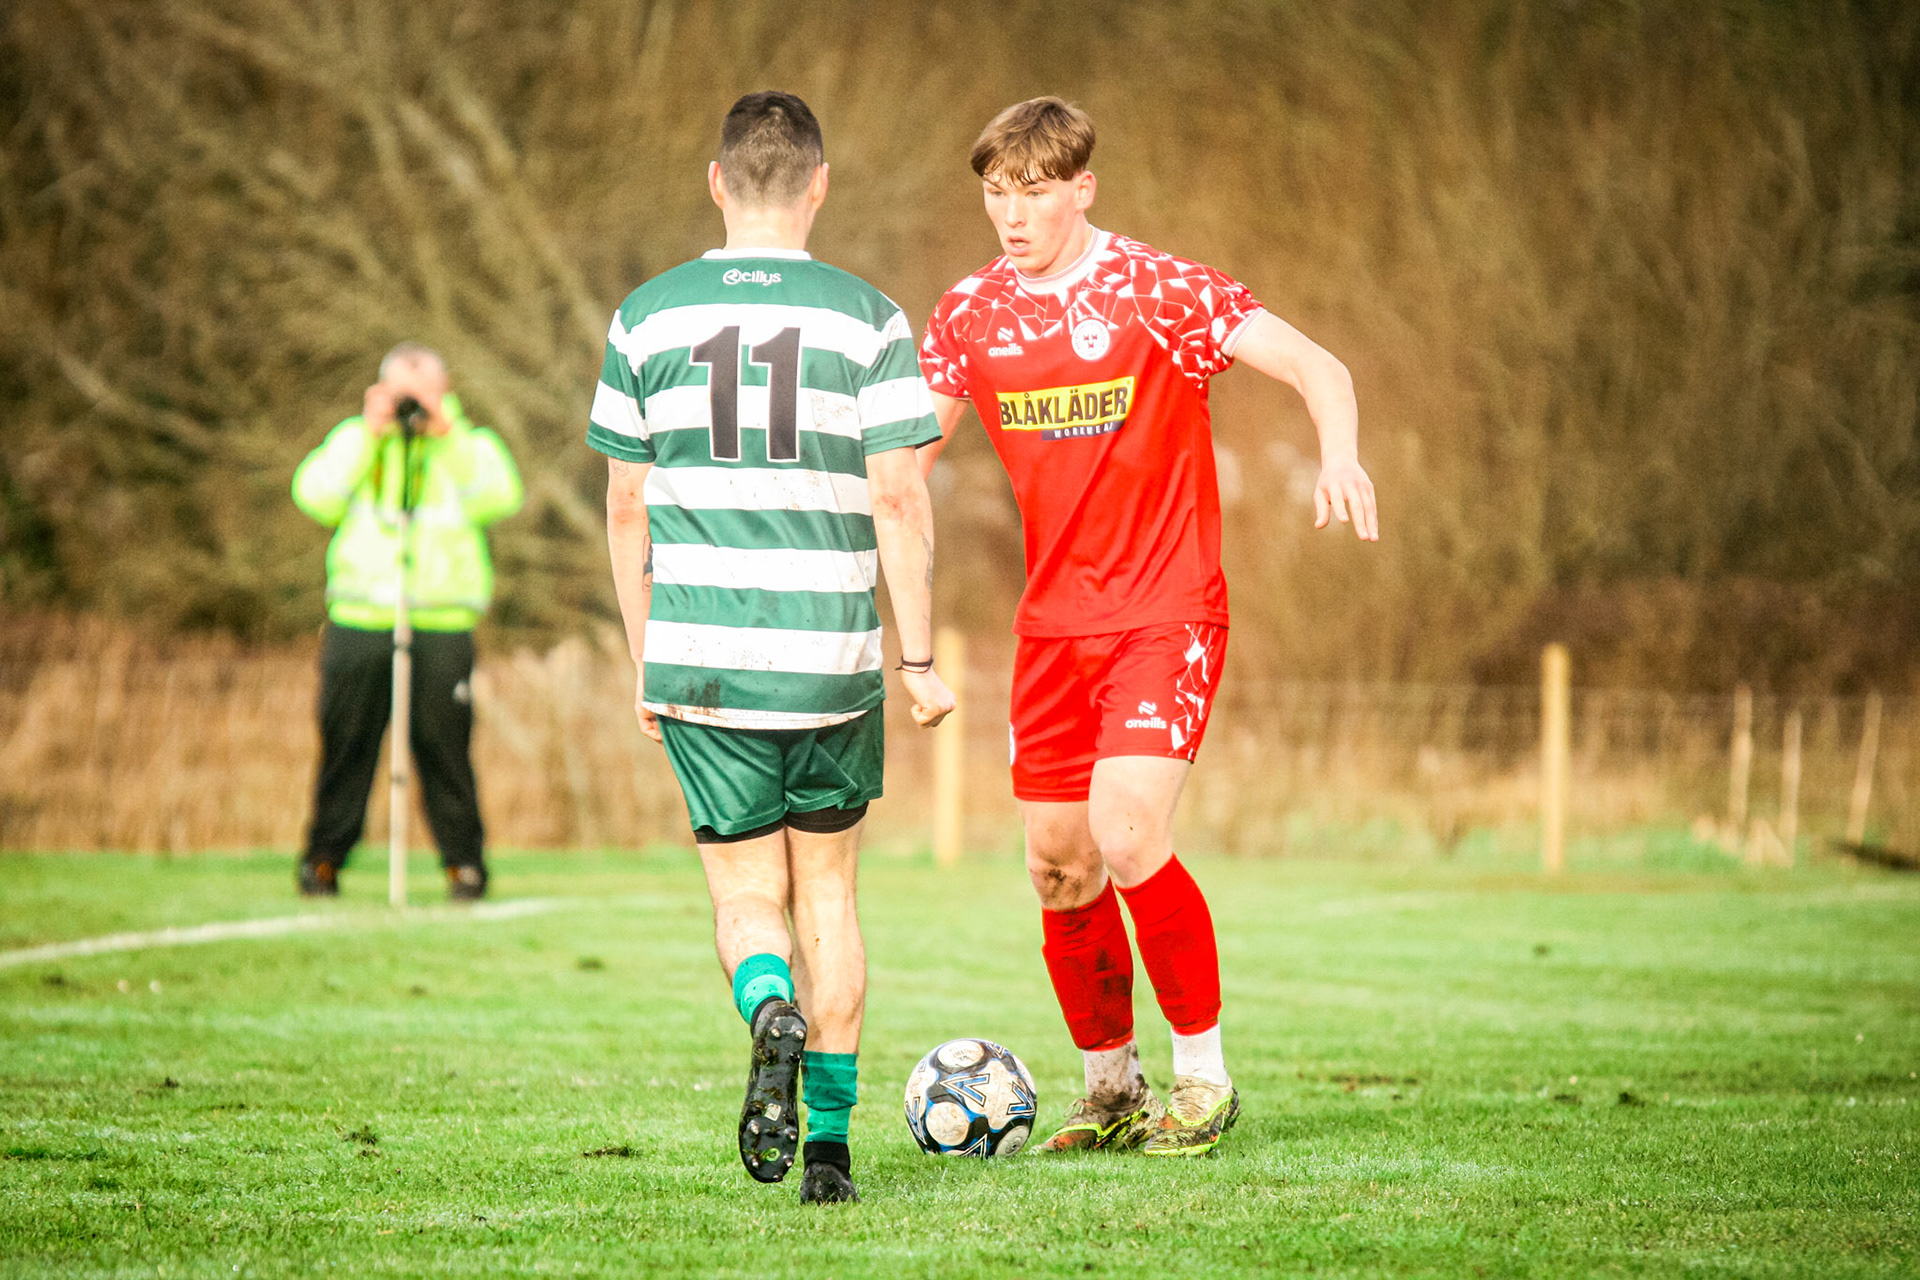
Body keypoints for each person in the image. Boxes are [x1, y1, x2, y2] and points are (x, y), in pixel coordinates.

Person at [917, 98, 1378, 1157]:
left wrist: (1341, 453)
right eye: (995, 193)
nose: (1012, 215)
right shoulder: (969, 313)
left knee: (1125, 829)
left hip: (1167, 610)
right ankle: (1110, 1089)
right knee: (1058, 864)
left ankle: (1203, 1079)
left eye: (1035, 192)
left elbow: (1322, 368)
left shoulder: (1160, 291)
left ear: (1083, 188)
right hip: (1052, 630)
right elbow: (901, 464)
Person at [591, 91, 954, 1205]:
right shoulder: (870, 319)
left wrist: (646, 659)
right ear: (819, 185)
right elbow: (900, 495)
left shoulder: (645, 317)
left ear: (716, 182)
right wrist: (919, 660)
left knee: (748, 898)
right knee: (829, 894)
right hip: (830, 663)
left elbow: (626, 507)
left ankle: (768, 1008)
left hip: (703, 661)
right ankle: (831, 1155)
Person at [291, 344, 523, 901]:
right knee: (346, 745)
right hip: (360, 617)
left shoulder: (471, 446)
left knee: (445, 750)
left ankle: (464, 865)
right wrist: (368, 435)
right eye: (402, 392)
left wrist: (446, 435)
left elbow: (499, 498)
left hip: (441, 621)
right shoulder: (356, 439)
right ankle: (323, 861)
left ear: (445, 391)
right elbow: (316, 497)